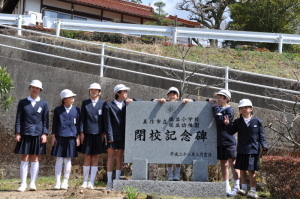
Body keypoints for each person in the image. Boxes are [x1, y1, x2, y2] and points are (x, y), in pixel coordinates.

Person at [224, 99, 268, 199]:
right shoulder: (237, 122)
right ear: (239, 110)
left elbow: (261, 136)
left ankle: (253, 190)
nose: (244, 109)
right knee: (242, 169)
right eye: (241, 108)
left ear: (251, 109)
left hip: (253, 149)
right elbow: (231, 131)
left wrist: (264, 145)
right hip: (242, 149)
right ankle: (243, 189)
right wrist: (227, 124)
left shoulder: (257, 121)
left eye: (246, 107)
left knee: (251, 170)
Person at [14, 80, 49, 192]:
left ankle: (33, 183)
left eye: (37, 88)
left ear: (40, 90)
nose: (35, 89)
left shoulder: (44, 103)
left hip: (38, 133)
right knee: (25, 157)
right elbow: (18, 118)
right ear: (29, 88)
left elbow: (45, 120)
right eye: (33, 87)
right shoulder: (22, 102)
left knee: (35, 158)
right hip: (25, 132)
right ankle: (23, 183)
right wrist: (18, 132)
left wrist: (44, 133)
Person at [153, 87, 193, 181]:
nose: (172, 96)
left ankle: (177, 174)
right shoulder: (164, 103)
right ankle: (170, 174)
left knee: (178, 154)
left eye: (174, 94)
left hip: (178, 132)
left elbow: (193, 102)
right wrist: (160, 100)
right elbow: (152, 101)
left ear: (178, 96)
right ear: (167, 96)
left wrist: (188, 100)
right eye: (170, 94)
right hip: (167, 132)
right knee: (169, 154)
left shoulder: (181, 103)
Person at [103, 84, 137, 190]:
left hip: (123, 135)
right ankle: (109, 182)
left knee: (120, 157)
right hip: (112, 135)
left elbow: (141, 102)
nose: (126, 93)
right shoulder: (108, 107)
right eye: (124, 91)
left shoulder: (127, 105)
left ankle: (117, 182)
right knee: (110, 157)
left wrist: (133, 100)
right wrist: (109, 137)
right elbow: (107, 124)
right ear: (118, 93)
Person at [208, 89, 240, 196]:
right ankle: (226, 186)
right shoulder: (220, 108)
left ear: (227, 98)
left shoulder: (229, 110)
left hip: (229, 140)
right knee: (223, 163)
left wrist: (215, 107)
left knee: (233, 163)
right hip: (220, 140)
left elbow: (219, 120)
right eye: (217, 97)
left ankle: (236, 186)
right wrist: (217, 109)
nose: (218, 99)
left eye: (220, 97)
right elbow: (219, 118)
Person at [51, 89, 80, 190]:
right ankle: (57, 182)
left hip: (71, 137)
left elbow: (78, 125)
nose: (73, 99)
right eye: (70, 97)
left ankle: (65, 182)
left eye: (73, 97)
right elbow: (54, 124)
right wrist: (53, 136)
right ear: (64, 99)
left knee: (68, 159)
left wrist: (77, 137)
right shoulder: (58, 110)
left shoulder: (77, 110)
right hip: (60, 136)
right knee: (59, 159)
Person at [79, 83, 107, 189]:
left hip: (99, 134)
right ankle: (85, 181)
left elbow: (105, 120)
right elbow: (82, 119)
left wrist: (104, 133)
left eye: (96, 90)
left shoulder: (104, 103)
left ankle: (92, 181)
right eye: (92, 90)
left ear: (100, 92)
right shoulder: (85, 103)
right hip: (87, 133)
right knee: (86, 155)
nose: (93, 91)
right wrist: (81, 132)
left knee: (95, 157)